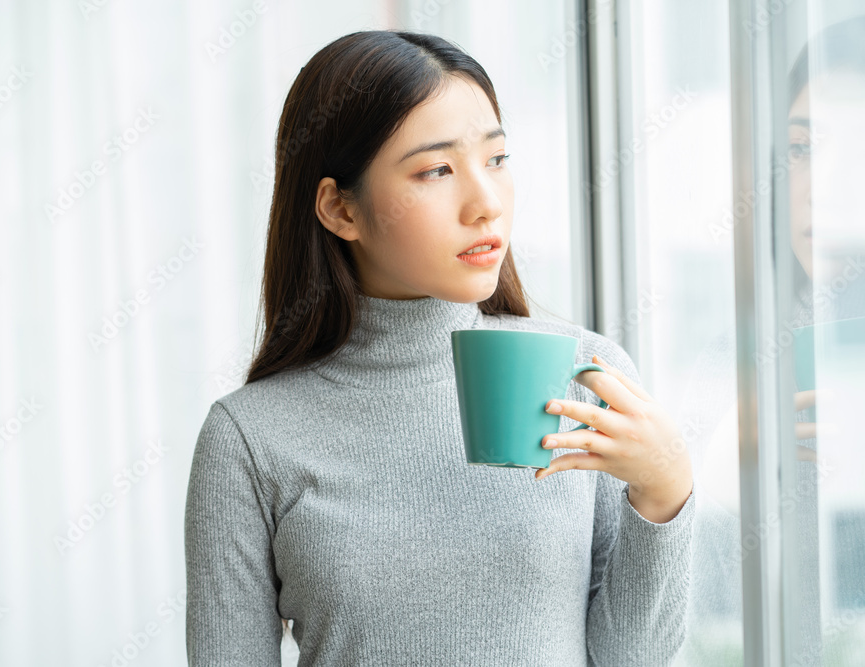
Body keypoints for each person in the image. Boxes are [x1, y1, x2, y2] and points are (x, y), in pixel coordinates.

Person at [184, 29, 695, 666]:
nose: (486, 204)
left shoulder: (584, 377)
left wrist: (665, 490)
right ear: (340, 210)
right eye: (437, 170)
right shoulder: (249, 439)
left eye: (497, 159)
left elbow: (631, 659)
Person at [676, 14, 865, 664]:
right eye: (803, 148)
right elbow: (696, 629)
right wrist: (730, 481)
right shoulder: (740, 353)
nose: (823, 189)